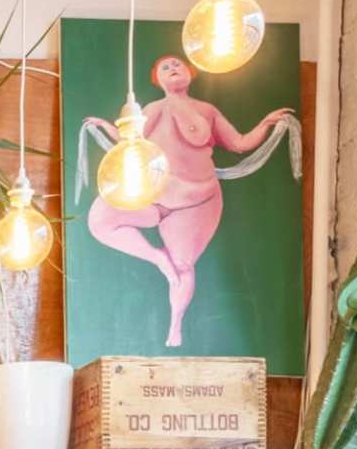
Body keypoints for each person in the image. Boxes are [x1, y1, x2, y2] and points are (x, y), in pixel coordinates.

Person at [83, 53, 300, 346]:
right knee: (100, 220)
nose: (172, 68)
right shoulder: (149, 109)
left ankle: (175, 326)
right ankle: (157, 258)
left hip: (196, 199)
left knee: (184, 265)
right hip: (153, 194)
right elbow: (128, 142)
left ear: (190, 73)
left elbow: (239, 143)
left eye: (177, 64)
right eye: (165, 67)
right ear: (156, 79)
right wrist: (105, 126)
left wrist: (267, 123)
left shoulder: (206, 110)